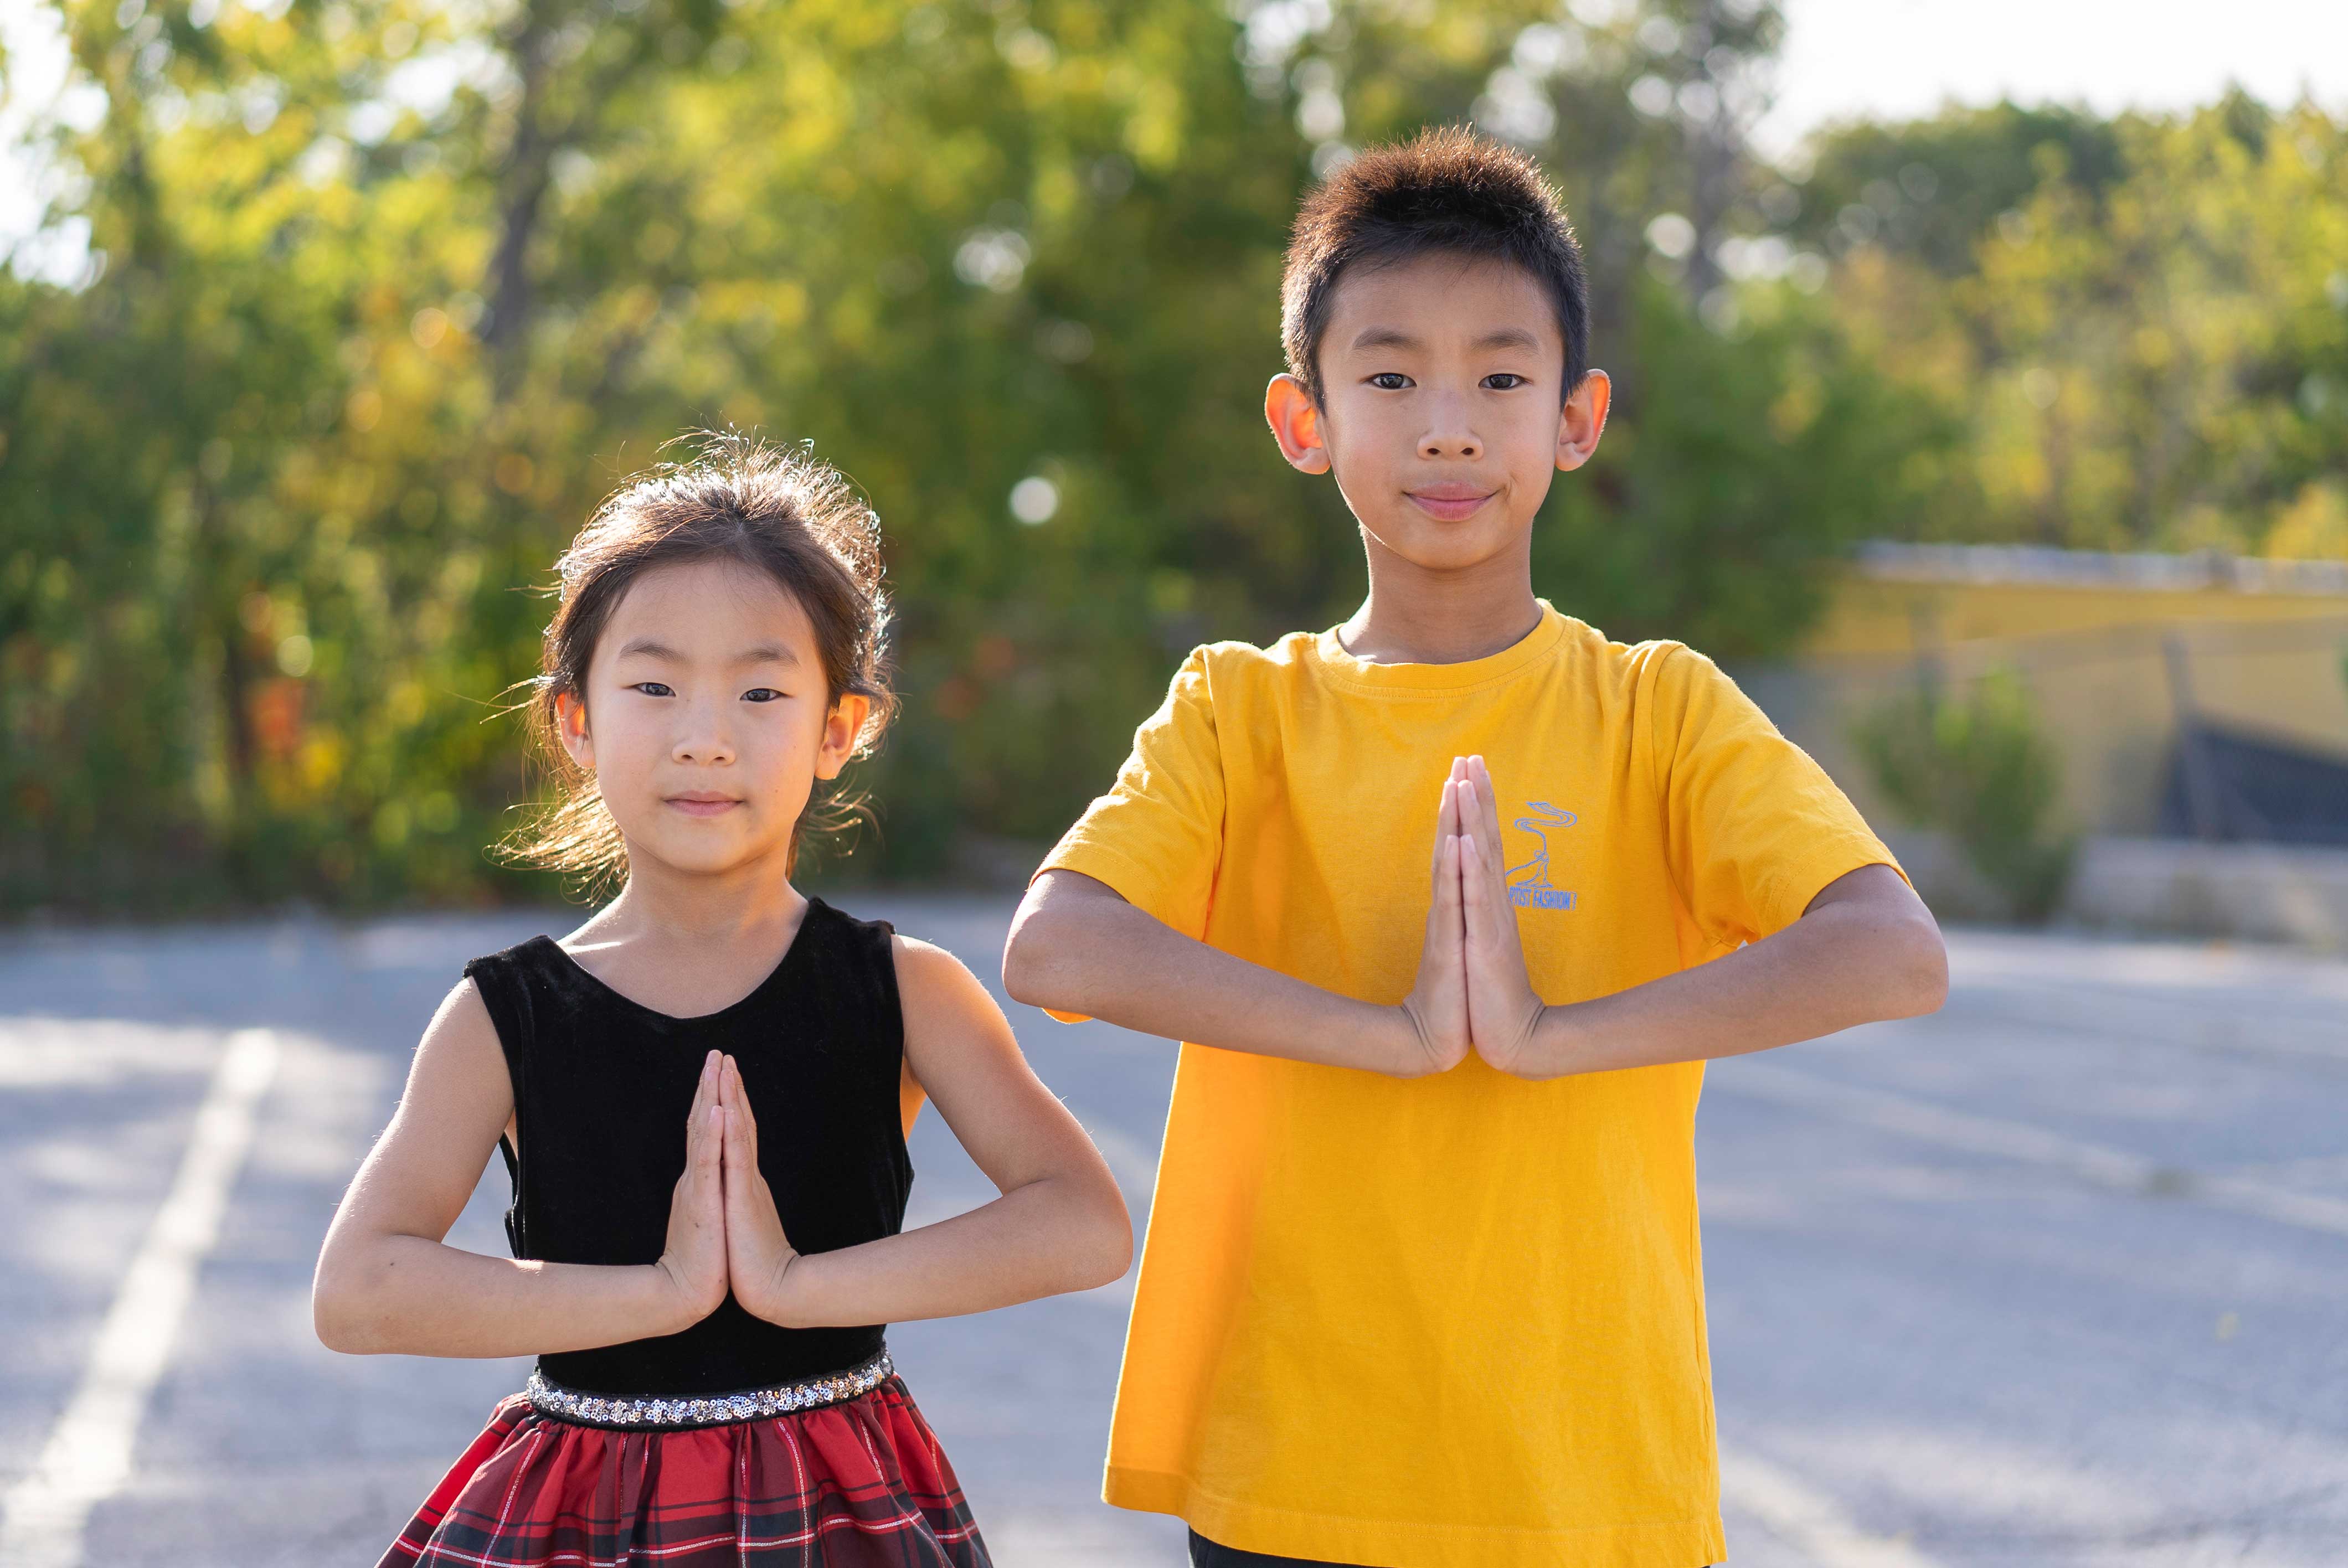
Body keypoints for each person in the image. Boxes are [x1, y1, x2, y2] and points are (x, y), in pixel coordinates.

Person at [1002, 128, 1949, 1568]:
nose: (1448, 425)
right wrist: (1385, 1032)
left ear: (1577, 418)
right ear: (1302, 419)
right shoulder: (1241, 711)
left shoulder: (1657, 711)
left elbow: (1891, 954)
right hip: (1293, 1466)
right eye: (1388, 376)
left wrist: (1547, 1034)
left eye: (1501, 378)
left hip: (1584, 1478)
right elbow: (1058, 943)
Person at [315, 433, 1131, 1568]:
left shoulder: (902, 990)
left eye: (761, 691)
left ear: (838, 730)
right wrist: (659, 1292)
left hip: (843, 1505)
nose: (705, 738)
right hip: (580, 1513)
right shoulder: (508, 1016)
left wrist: (797, 1286)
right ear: (577, 722)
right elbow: (358, 1290)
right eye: (653, 686)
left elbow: (1084, 1223)